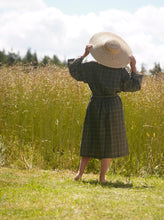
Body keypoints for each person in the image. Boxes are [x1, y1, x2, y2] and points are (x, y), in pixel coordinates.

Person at [68, 32, 143, 183]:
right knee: (109, 141)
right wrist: (133, 68)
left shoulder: (91, 67)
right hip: (113, 106)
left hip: (95, 103)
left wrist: (84, 55)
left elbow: (74, 70)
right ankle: (102, 178)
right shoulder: (120, 71)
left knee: (90, 138)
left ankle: (79, 174)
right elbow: (134, 86)